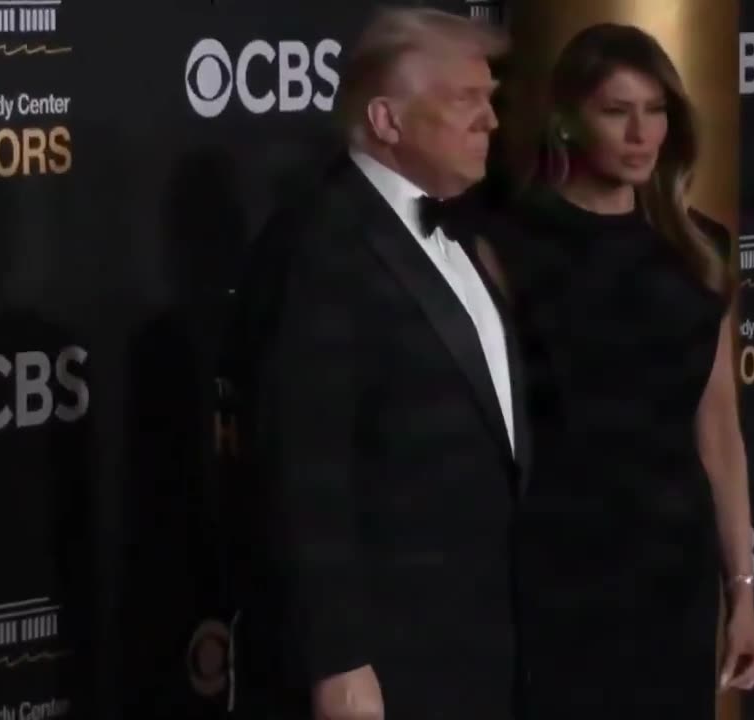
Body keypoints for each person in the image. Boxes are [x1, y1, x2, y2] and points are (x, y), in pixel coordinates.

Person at [223, 8, 528, 720]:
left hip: (475, 640)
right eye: (465, 101)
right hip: (387, 660)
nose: (489, 121)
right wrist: (339, 662)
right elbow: (305, 469)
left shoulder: (463, 231)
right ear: (387, 121)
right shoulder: (321, 246)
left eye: (491, 99)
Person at [479, 22, 754, 718]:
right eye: (617, 111)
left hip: (672, 564)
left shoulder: (700, 250)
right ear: (569, 122)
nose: (642, 133)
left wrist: (744, 595)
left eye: (657, 110)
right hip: (555, 563)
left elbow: (720, 433)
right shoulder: (508, 246)